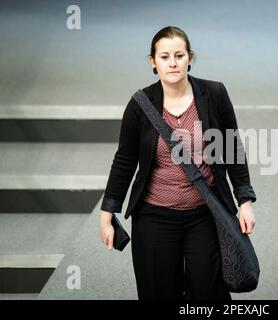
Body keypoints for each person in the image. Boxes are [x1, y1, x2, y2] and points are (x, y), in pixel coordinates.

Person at [99, 26, 257, 300]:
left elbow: (232, 148)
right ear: (153, 61)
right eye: (164, 56)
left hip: (204, 213)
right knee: (159, 292)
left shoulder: (214, 94)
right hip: (154, 216)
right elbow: (124, 161)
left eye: (179, 55)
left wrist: (245, 202)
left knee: (209, 295)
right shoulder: (140, 104)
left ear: (190, 58)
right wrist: (107, 213)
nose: (172, 62)